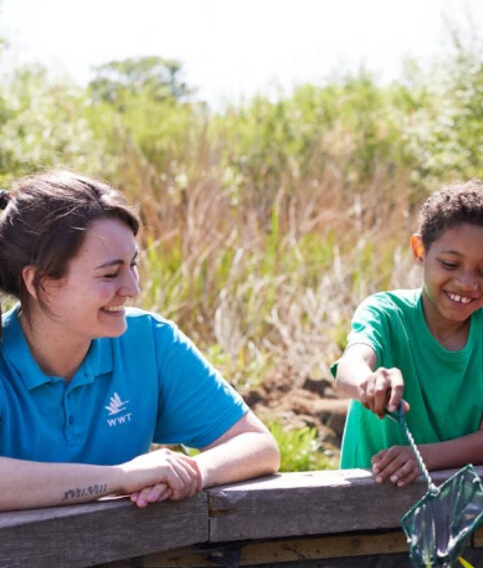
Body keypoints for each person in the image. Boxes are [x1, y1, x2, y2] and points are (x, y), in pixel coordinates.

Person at [0, 169, 280, 512]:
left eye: (133, 266)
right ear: (39, 282)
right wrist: (121, 477)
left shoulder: (150, 341)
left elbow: (257, 444)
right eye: (109, 274)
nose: (133, 289)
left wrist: (184, 474)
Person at [332, 179, 483, 486]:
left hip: (455, 505)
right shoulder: (385, 313)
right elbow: (349, 366)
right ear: (420, 251)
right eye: (450, 263)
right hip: (371, 497)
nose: (467, 283)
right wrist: (368, 382)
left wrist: (421, 457)